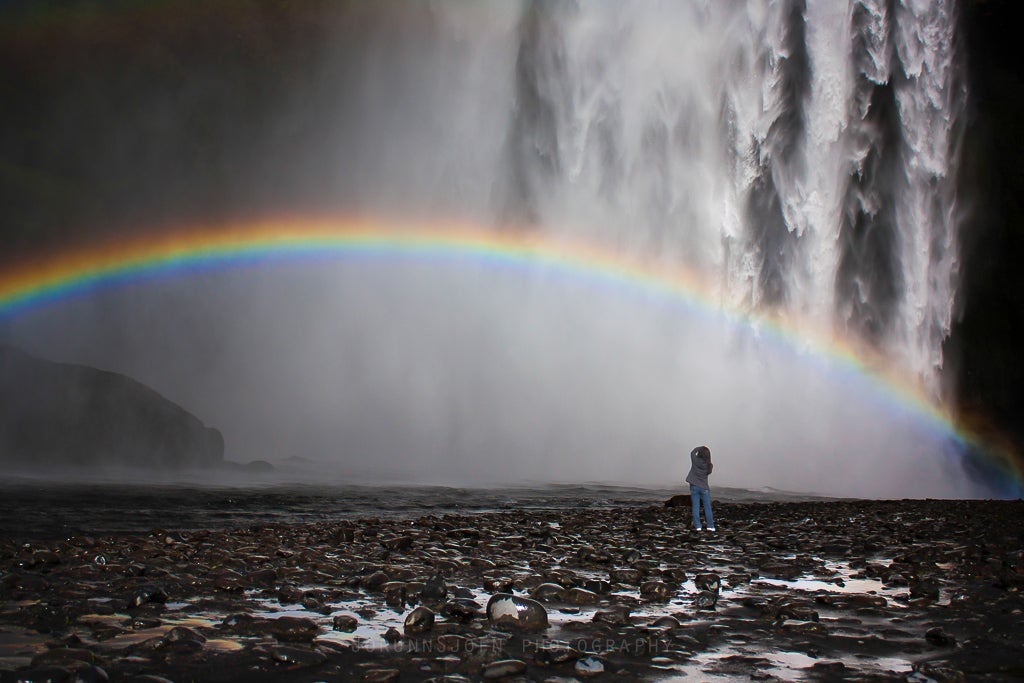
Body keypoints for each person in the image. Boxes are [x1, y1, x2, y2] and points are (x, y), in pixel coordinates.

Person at [686, 445, 715, 531]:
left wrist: (699, 447)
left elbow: (692, 452)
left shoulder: (695, 460)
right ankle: (710, 526)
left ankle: (698, 526)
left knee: (696, 506)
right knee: (707, 507)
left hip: (694, 486)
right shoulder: (709, 465)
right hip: (704, 488)